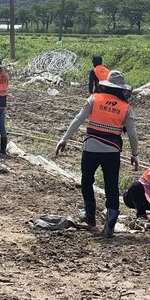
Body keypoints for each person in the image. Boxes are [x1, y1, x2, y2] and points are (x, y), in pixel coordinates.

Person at [55, 70, 140, 238]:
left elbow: (78, 119)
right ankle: (109, 226)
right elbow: (132, 134)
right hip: (112, 152)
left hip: (91, 149)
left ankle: (90, 216)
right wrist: (135, 153)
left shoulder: (94, 99)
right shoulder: (126, 108)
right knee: (111, 186)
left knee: (86, 180)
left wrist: (64, 139)